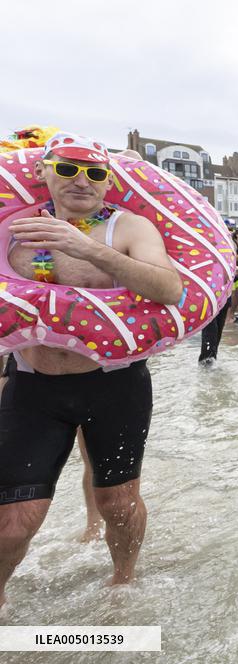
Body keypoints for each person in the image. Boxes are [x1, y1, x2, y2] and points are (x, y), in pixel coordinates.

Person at [0, 132, 183, 608]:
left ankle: (122, 585)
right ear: (42, 172)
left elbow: (169, 288)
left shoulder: (127, 229)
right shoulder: (15, 230)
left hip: (114, 385)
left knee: (117, 504)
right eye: (67, 169)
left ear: (108, 182)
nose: (81, 180)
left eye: (95, 172)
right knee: (16, 517)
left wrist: (88, 250)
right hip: (33, 387)